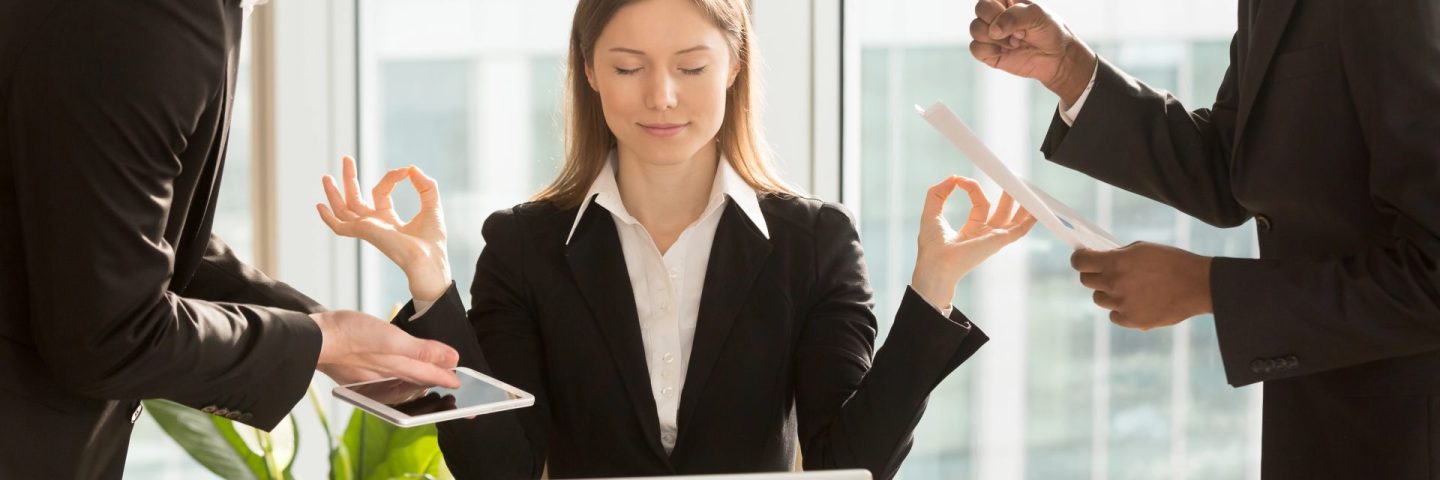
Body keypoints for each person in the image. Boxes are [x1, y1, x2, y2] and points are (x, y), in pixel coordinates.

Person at [315, 0, 1036, 477]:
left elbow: (852, 463)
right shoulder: (523, 245)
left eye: (691, 67)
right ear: (590, 69)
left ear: (735, 65)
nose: (661, 96)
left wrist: (933, 286)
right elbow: (498, 469)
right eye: (628, 68)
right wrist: (430, 280)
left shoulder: (813, 242)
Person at [969, 0, 1440, 476]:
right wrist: (1069, 69)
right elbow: (1231, 165)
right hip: (1318, 425)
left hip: (1405, 442)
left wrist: (1208, 287)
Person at [0, 1, 463, 478]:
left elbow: (115, 229)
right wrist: (320, 342)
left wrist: (316, 325)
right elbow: (111, 331)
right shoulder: (156, 16)